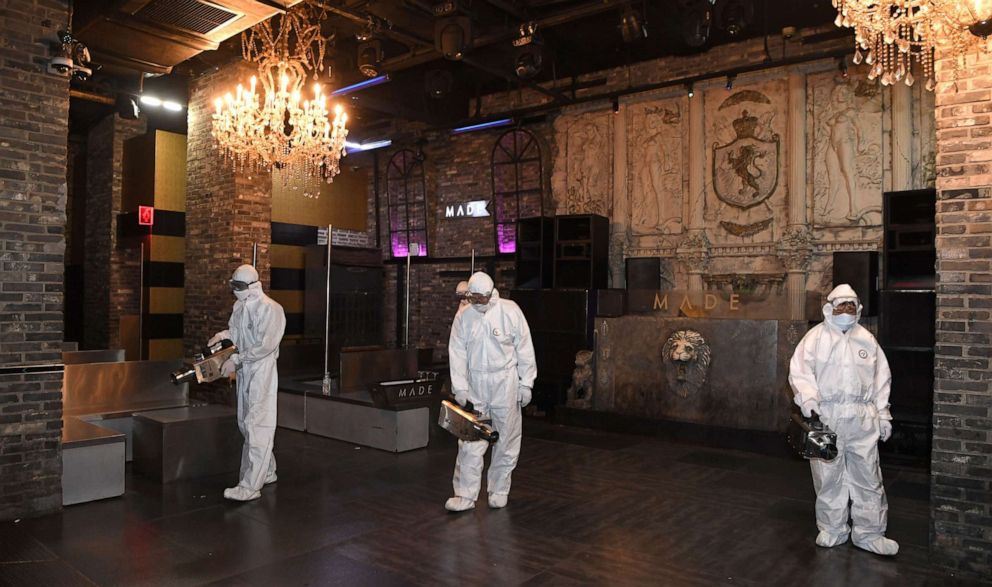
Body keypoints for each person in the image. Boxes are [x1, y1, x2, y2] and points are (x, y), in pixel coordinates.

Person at [788, 284, 898, 556]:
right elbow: (800, 372)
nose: (846, 309)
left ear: (858, 308)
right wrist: (809, 401)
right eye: (842, 305)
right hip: (828, 417)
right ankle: (832, 528)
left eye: (851, 305)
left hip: (862, 418)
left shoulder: (867, 340)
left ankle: (870, 533)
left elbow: (881, 380)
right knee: (828, 476)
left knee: (868, 477)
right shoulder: (814, 339)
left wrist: (883, 414)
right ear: (830, 308)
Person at [445, 271, 536, 512]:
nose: (479, 302)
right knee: (470, 440)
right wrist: (460, 387)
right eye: (474, 297)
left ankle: (499, 489)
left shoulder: (510, 310)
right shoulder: (464, 316)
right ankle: (464, 494)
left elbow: (524, 347)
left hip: (504, 382)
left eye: (482, 297)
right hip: (476, 384)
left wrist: (526, 382)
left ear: (489, 293)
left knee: (506, 438)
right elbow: (457, 352)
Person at [208, 264, 286, 502]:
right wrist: (221, 337)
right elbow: (237, 333)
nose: (235, 291)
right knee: (245, 422)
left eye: (239, 287)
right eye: (233, 286)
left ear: (254, 286)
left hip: (261, 371)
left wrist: (238, 360)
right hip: (244, 371)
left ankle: (250, 486)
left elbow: (265, 346)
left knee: (257, 424)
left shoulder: (271, 309)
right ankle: (268, 470)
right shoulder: (240, 307)